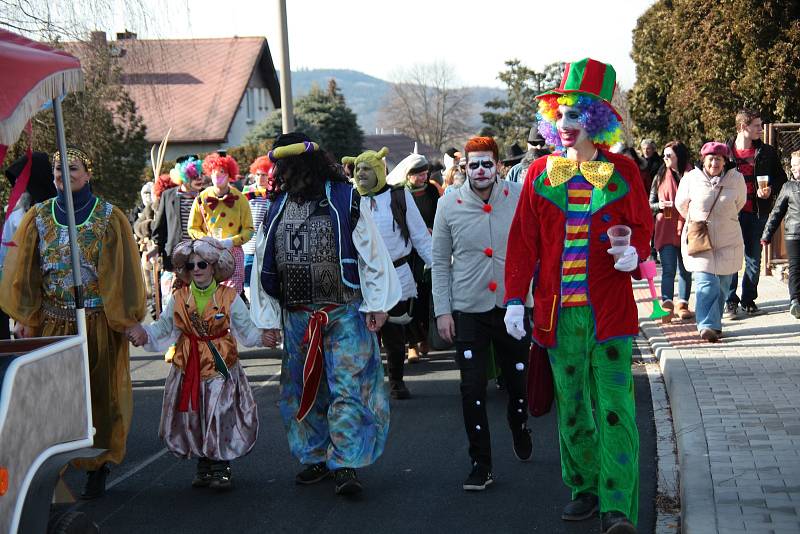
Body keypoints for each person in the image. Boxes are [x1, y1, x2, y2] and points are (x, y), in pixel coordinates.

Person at [504, 58, 653, 533]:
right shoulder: (542, 174)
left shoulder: (624, 171)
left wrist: (634, 258)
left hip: (609, 312)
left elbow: (643, 231)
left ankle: (617, 506)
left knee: (615, 408)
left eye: (577, 115)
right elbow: (523, 241)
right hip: (556, 314)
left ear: (596, 121)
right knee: (572, 409)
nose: (566, 126)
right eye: (561, 115)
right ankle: (584, 486)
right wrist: (513, 298)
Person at [249, 133, 401, 496]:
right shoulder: (277, 206)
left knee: (348, 388)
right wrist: (268, 320)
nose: (285, 174)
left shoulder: (347, 200)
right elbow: (263, 264)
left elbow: (372, 255)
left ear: (310, 165)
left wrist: (377, 304)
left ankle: (346, 462)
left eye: (291, 166)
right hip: (298, 316)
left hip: (344, 313)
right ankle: (315, 456)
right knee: (303, 389)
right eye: (282, 168)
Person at [0, 148, 146, 498]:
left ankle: (99, 465)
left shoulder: (109, 217)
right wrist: (26, 318)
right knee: (53, 398)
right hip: (53, 322)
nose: (63, 176)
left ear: (88, 173)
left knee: (99, 395)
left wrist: (127, 320)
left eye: (72, 169)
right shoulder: (38, 216)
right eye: (57, 171)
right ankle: (53, 469)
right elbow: (26, 273)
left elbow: (121, 275)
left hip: (97, 322)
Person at [432, 135, 534, 492]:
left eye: (486, 163)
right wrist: (442, 311)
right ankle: (481, 464)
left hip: (514, 305)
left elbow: (534, 248)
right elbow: (440, 262)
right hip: (469, 309)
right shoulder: (448, 204)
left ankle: (519, 422)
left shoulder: (519, 198)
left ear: (499, 166)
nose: (480, 170)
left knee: (518, 382)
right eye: (473, 164)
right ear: (463, 168)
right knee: (472, 387)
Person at [127, 238, 266, 490]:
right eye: (191, 266)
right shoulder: (178, 297)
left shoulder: (230, 297)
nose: (197, 269)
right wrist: (143, 334)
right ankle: (204, 464)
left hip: (221, 367)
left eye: (202, 263)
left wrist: (264, 337)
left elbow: (247, 331)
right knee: (194, 414)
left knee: (220, 413)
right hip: (187, 365)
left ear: (213, 266)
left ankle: (220, 464)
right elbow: (164, 328)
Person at [349, 149, 433, 398]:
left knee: (395, 333)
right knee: (366, 333)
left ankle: (396, 380)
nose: (361, 174)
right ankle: (372, 383)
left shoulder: (399, 196)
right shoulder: (351, 199)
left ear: (379, 171)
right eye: (358, 169)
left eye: (367, 169)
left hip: (397, 274)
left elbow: (419, 235)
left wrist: (438, 270)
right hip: (363, 277)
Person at [675, 142, 746, 342]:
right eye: (711, 159)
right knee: (706, 284)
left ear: (725, 161)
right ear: (703, 160)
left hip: (728, 239)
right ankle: (706, 325)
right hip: (700, 238)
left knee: (723, 285)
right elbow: (681, 205)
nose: (714, 163)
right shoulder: (691, 179)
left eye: (719, 159)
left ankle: (715, 324)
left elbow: (739, 203)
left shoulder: (736, 178)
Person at [724, 109, 787, 317]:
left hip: (757, 212)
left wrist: (769, 188)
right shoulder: (725, 151)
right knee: (732, 257)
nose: (761, 129)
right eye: (757, 126)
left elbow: (781, 178)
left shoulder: (767, 151)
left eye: (761, 125)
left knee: (753, 258)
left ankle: (749, 299)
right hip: (731, 214)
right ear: (743, 127)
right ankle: (730, 300)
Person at [0, 152, 56, 339]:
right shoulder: (16, 217)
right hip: (24, 295)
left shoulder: (61, 212)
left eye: (21, 180)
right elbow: (5, 257)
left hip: (57, 296)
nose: (17, 186)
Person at [188, 153, 254, 294]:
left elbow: (249, 229)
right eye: (214, 172)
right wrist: (206, 240)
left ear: (229, 174)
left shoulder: (240, 199)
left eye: (222, 172)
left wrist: (232, 241)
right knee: (210, 294)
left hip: (233, 253)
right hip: (207, 253)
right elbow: (192, 227)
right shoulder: (201, 198)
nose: (217, 175)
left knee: (230, 295)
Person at [399, 153, 440, 363]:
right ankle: (412, 345)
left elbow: (439, 214)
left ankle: (423, 337)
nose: (424, 178)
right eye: (420, 175)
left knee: (424, 297)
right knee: (408, 300)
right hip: (407, 253)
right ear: (409, 175)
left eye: (425, 174)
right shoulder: (400, 193)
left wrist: (434, 229)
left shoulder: (432, 190)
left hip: (427, 249)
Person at [649, 141, 694, 321]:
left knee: (685, 269)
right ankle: (667, 304)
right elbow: (649, 203)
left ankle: (682, 303)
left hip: (687, 227)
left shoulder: (693, 175)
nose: (665, 158)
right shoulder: (660, 175)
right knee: (668, 269)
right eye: (664, 155)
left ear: (679, 157)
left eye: (669, 155)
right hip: (665, 227)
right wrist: (658, 205)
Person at [153, 156, 206, 298]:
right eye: (195, 176)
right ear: (184, 176)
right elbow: (160, 228)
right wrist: (156, 251)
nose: (200, 179)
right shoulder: (168, 195)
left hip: (200, 258)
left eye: (201, 174)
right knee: (172, 301)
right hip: (174, 259)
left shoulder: (205, 195)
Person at [761, 150, 800, 319]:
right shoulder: (788, 187)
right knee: (796, 268)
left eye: (798, 165)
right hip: (794, 234)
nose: (794, 169)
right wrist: (767, 234)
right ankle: (795, 301)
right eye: (792, 166)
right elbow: (777, 212)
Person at [242, 155, 274, 299]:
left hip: (267, 244)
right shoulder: (247, 191)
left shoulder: (273, 192)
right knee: (247, 279)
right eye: (258, 174)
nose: (260, 178)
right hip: (249, 244)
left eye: (264, 174)